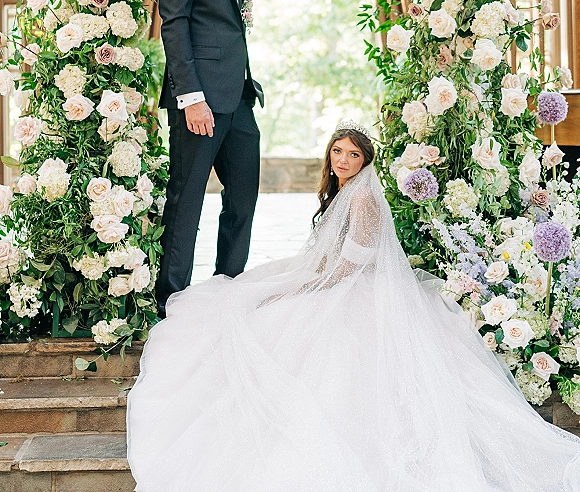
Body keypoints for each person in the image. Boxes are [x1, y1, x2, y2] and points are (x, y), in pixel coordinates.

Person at [128, 121, 580, 491]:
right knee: (248, 299)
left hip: (356, 286)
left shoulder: (363, 198)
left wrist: (302, 288)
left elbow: (350, 268)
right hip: (334, 273)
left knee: (283, 323)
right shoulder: (342, 191)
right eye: (338, 152)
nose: (343, 161)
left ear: (365, 163)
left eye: (353, 155)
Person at [155, 0, 263, 318]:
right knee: (187, 201)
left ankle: (227, 291)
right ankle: (171, 303)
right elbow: (175, 24)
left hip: (238, 97)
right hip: (199, 100)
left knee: (243, 197)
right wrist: (191, 97)